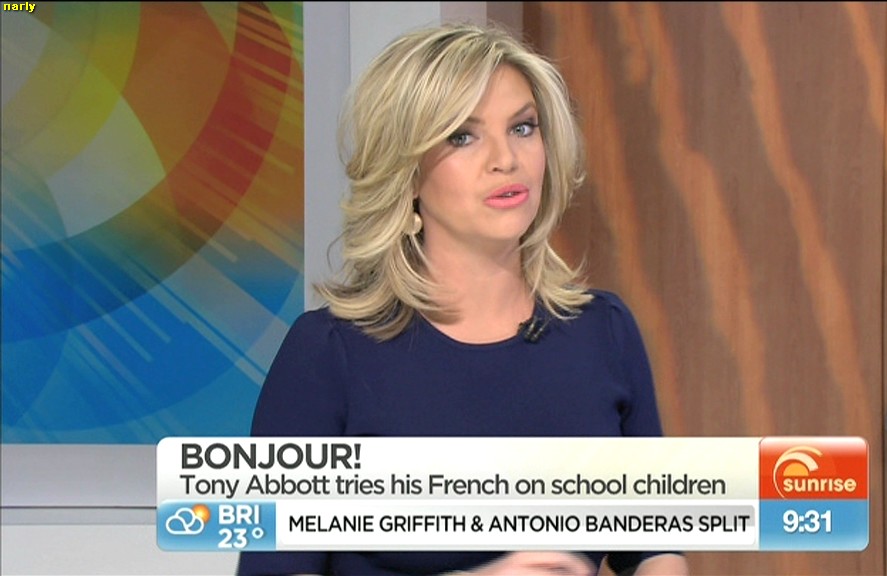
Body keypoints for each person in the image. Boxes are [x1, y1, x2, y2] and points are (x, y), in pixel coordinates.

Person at [237, 22, 689, 576]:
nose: (506, 158)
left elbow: (657, 548)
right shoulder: (328, 354)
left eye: (523, 127)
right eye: (462, 136)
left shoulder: (605, 333)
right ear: (407, 174)